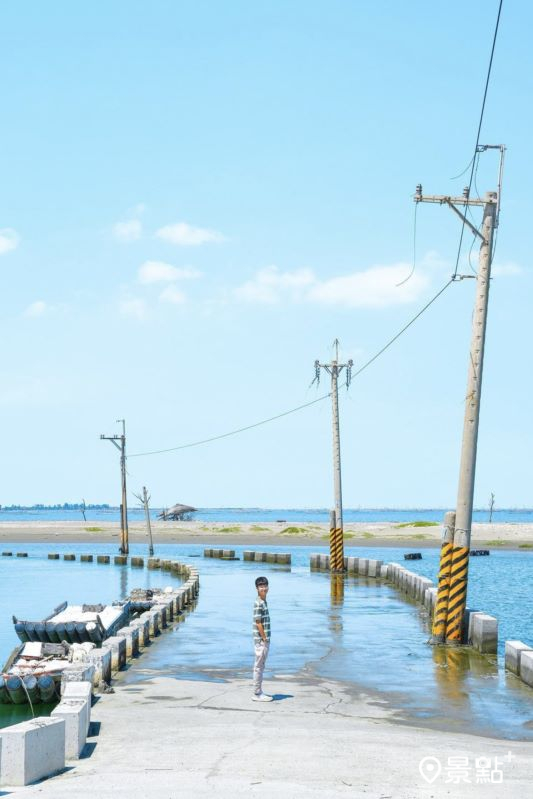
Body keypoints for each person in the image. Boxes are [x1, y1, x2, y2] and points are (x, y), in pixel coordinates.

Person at [252, 575, 273, 701]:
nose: (263, 588)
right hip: (261, 640)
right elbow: (258, 622)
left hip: (264, 640)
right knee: (259, 666)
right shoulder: (258, 603)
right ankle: (257, 693)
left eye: (265, 586)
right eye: (261, 586)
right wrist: (264, 638)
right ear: (257, 588)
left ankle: (258, 691)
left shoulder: (263, 601)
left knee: (260, 665)